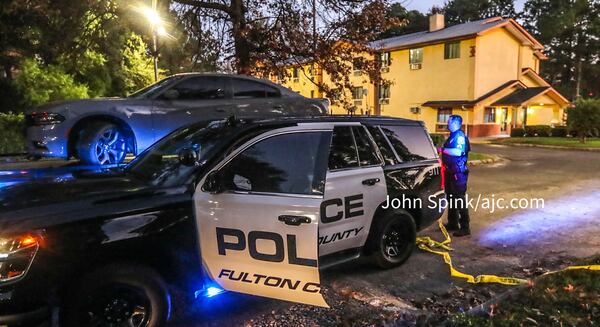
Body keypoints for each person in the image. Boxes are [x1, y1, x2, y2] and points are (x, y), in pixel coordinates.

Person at [440, 115, 471, 237]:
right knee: (451, 198)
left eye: (449, 122)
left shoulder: (459, 136)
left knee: (459, 199)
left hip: (458, 172)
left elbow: (457, 152)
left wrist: (441, 150)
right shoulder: (452, 136)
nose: (447, 123)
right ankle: (453, 223)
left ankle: (465, 227)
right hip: (450, 171)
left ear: (455, 123)